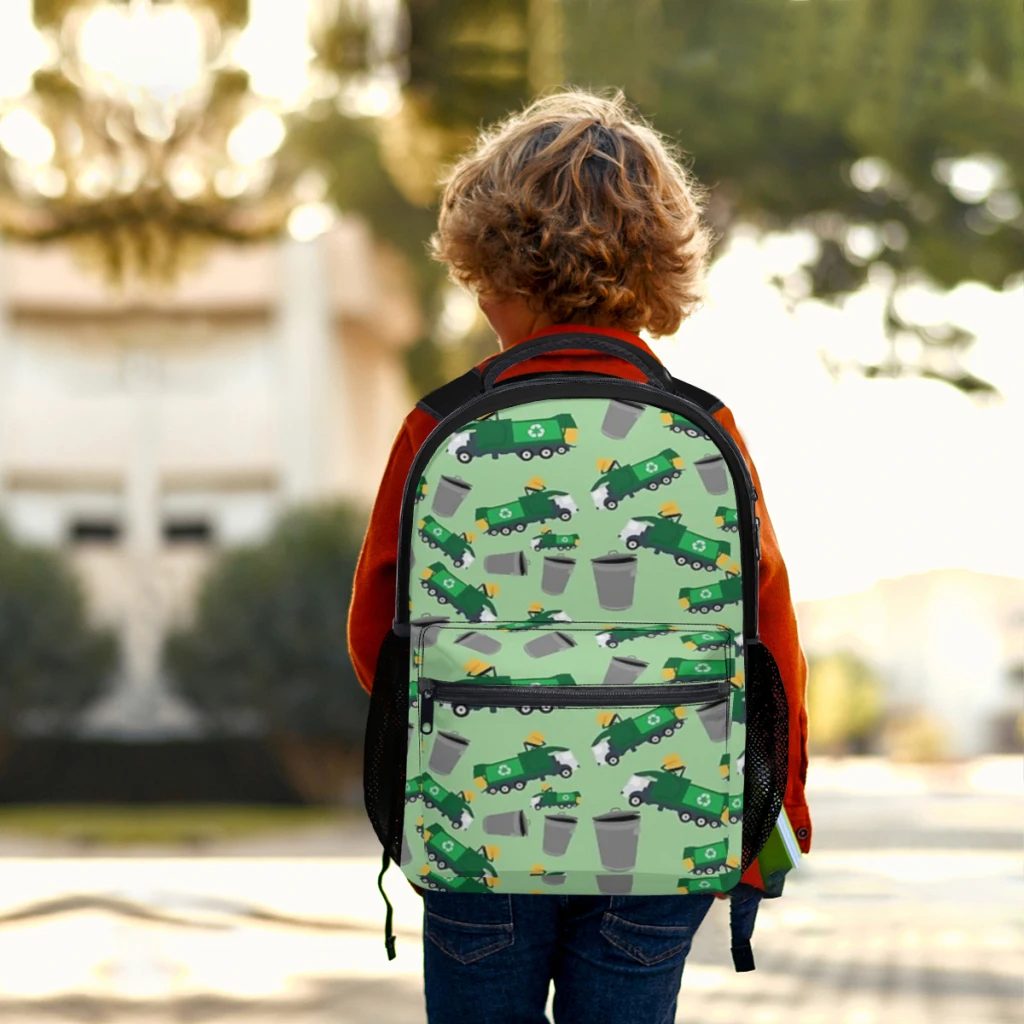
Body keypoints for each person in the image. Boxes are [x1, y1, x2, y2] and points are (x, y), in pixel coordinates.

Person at [348, 87, 810, 1024]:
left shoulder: (438, 427)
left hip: (479, 827)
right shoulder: (705, 429)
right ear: (660, 269)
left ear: (489, 268)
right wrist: (777, 812)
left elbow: (375, 638)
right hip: (658, 843)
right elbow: (769, 640)